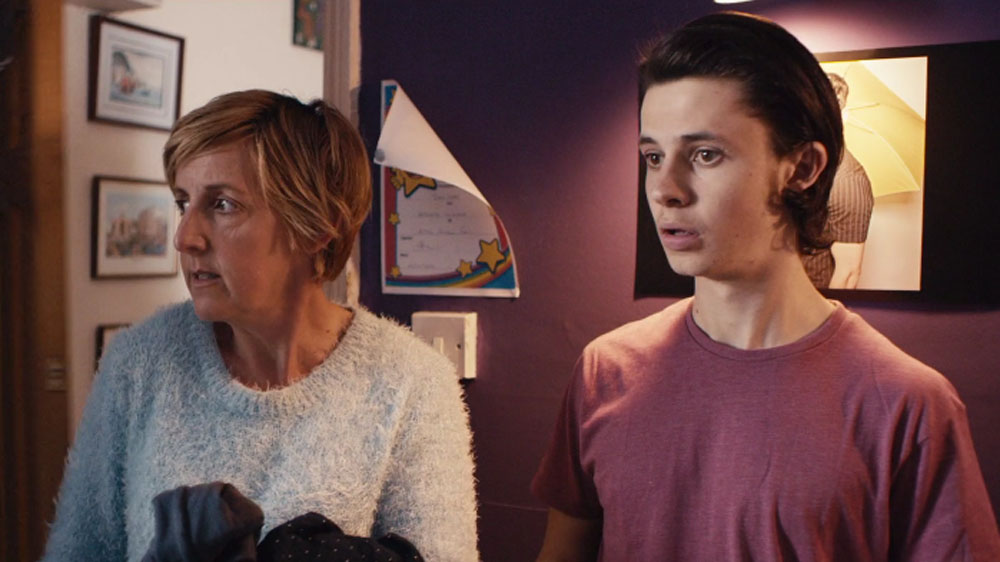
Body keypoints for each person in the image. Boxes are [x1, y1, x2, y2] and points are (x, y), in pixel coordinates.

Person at [532, 12, 1000, 561]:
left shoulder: (907, 404)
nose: (665, 189)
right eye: (653, 157)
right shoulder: (605, 371)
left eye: (705, 155)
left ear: (801, 168)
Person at [43, 90, 479, 561]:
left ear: (317, 226)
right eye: (183, 202)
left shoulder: (412, 384)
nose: (185, 237)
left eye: (223, 204)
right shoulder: (139, 362)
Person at [802, 72, 875, 289]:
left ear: (844, 117)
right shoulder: (795, 165)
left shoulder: (847, 182)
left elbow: (848, 274)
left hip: (812, 302)